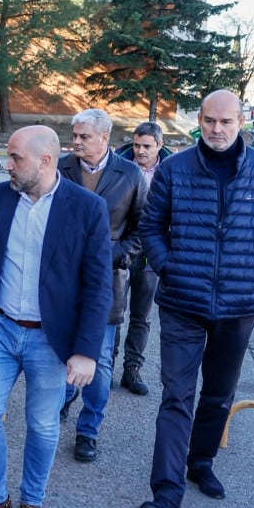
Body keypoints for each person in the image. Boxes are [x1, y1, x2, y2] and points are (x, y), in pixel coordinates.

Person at [138, 90, 254, 508]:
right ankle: (166, 494)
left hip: (239, 305)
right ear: (200, 122)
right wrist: (168, 266)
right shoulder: (174, 168)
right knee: (176, 396)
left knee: (219, 393)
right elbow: (151, 226)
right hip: (182, 302)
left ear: (241, 121)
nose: (217, 129)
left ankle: (200, 462)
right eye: (209, 121)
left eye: (226, 122)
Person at [0, 125, 112, 508]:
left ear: (45, 161)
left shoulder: (87, 209)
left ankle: (31, 502)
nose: (7, 165)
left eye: (15, 157)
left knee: (42, 426)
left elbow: (99, 287)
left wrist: (86, 352)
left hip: (50, 340)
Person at [56, 109, 147, 463]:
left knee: (101, 365)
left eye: (84, 137)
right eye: (75, 135)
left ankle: (88, 431)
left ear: (104, 138)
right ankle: (59, 405)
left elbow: (143, 228)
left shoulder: (131, 173)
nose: (76, 142)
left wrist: (117, 254)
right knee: (60, 354)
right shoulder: (61, 168)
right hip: (62, 280)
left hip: (108, 282)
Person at [113, 121, 172, 395]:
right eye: (136, 145)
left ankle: (132, 369)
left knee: (141, 316)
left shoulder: (171, 169)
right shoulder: (119, 165)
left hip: (150, 255)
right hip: (122, 250)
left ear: (159, 145)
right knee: (112, 312)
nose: (140, 151)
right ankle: (105, 365)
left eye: (146, 146)